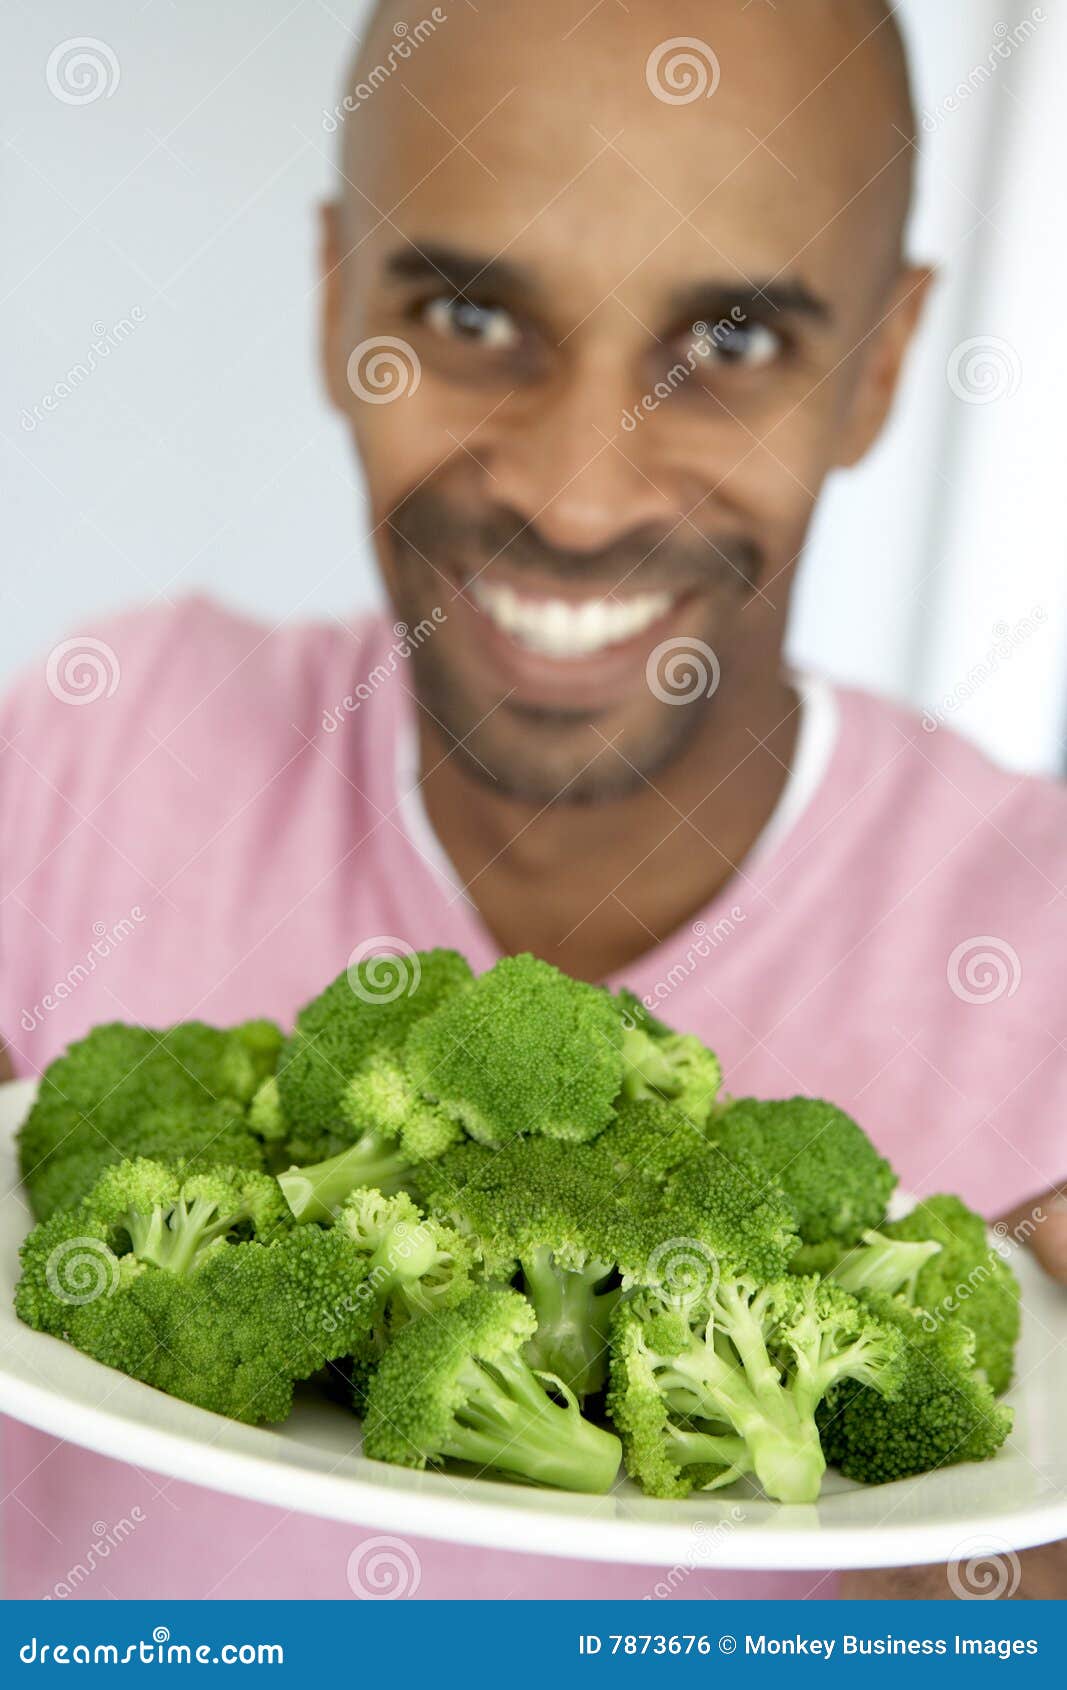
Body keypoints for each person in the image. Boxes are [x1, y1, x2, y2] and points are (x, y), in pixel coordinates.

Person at [1, 0, 1064, 1601]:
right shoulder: (89, 750)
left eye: (732, 345)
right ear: (334, 300)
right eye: (472, 315)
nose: (578, 494)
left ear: (881, 366)